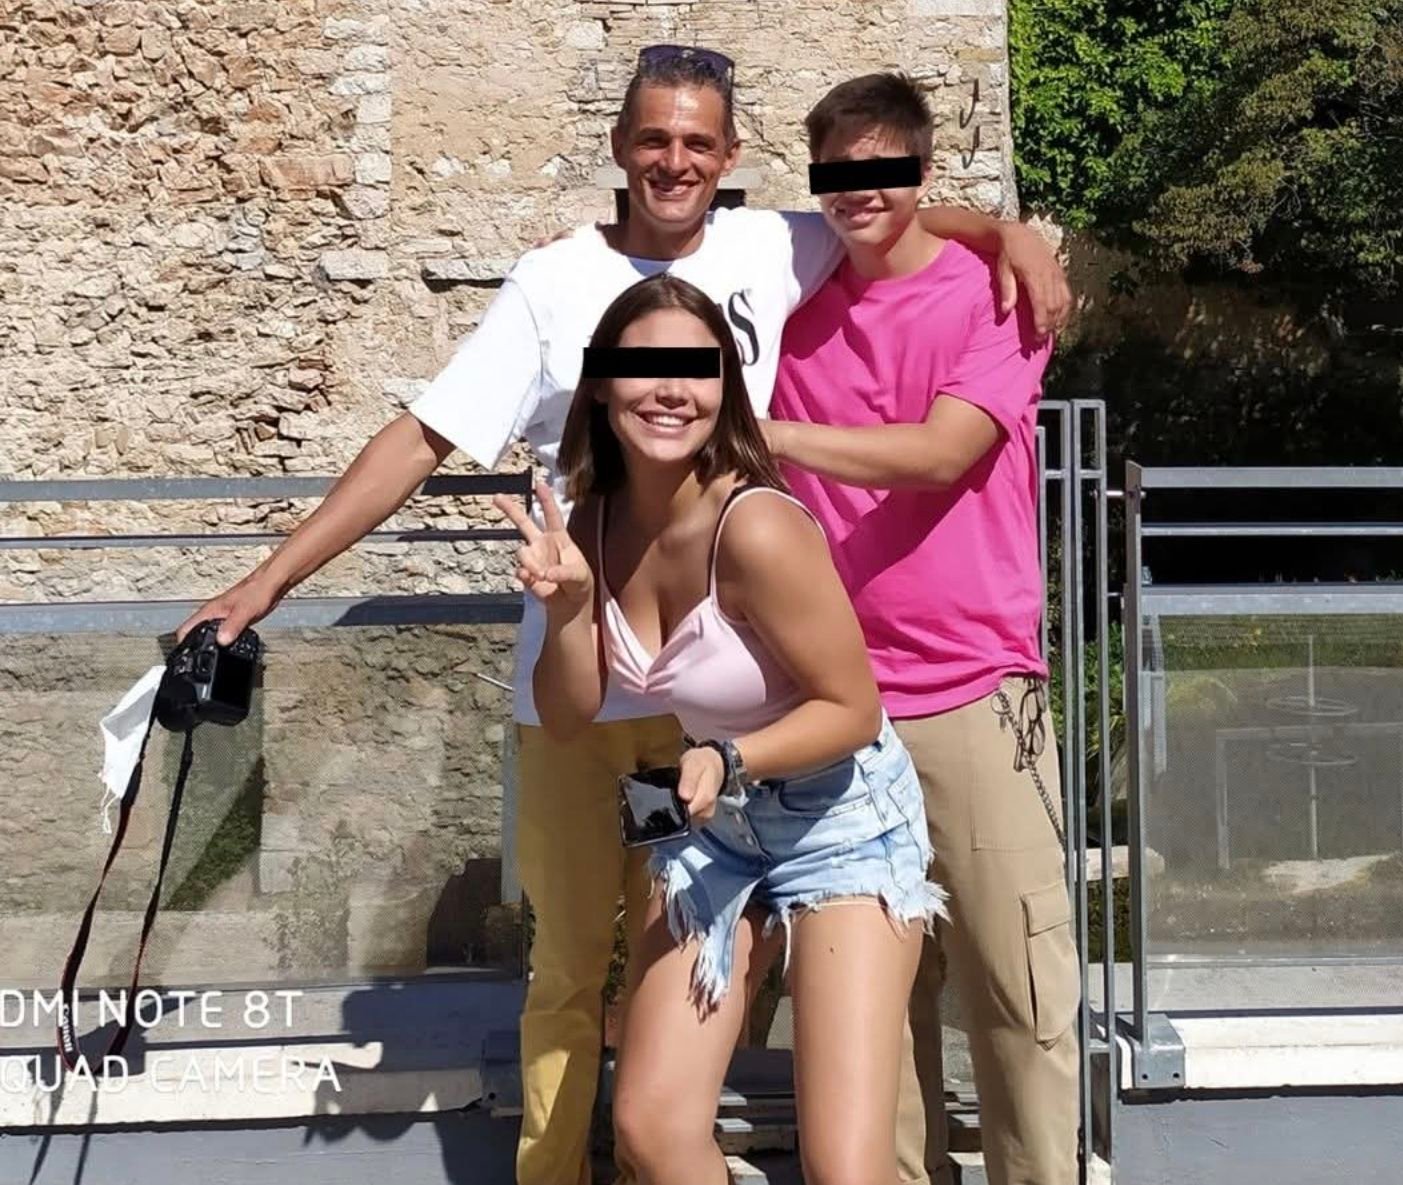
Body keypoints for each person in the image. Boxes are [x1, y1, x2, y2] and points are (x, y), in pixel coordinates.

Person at [178, 46, 1071, 1185]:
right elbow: (421, 436)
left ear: (731, 158)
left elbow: (881, 209)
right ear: (617, 147)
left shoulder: (767, 249)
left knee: (749, 1015)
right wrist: (267, 582)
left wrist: (1009, 234)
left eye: (698, 142)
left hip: (732, 715)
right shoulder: (553, 282)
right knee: (569, 968)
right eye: (653, 139)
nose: (674, 161)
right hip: (598, 680)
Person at [497, 270, 944, 1185]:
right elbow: (569, 713)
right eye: (644, 367)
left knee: (844, 1166)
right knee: (653, 1129)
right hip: (716, 827)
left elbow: (852, 709)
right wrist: (570, 608)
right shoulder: (593, 519)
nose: (671, 390)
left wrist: (727, 755)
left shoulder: (757, 527)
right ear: (600, 384)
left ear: (725, 388)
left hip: (840, 822)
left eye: (696, 369)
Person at [764, 74, 1081, 1185]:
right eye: (836, 172)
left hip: (974, 692)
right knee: (870, 1021)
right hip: (834, 706)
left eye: (883, 168)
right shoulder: (790, 293)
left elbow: (942, 453)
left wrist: (769, 434)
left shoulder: (996, 293)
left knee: (1018, 992)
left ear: (921, 168)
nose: (858, 191)